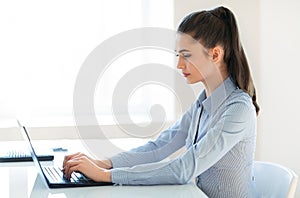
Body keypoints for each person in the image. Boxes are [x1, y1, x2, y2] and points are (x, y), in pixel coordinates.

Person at [63, 6, 260, 197]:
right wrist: (104, 163)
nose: (179, 64)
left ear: (215, 54)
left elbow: (185, 168)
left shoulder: (238, 109)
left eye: (187, 56)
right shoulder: (203, 104)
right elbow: (159, 147)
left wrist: (107, 176)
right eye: (177, 55)